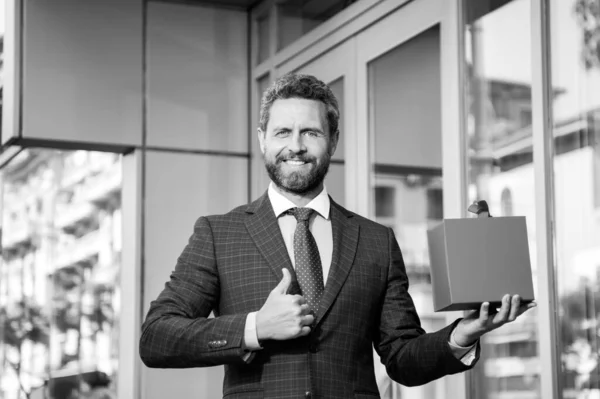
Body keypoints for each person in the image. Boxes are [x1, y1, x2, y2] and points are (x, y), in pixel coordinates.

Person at [139, 73, 535, 398]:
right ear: (262, 139)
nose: (295, 146)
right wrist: (255, 327)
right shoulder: (218, 233)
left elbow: (402, 358)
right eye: (282, 132)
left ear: (333, 141)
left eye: (310, 132)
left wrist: (462, 334)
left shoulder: (376, 240)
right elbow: (157, 338)